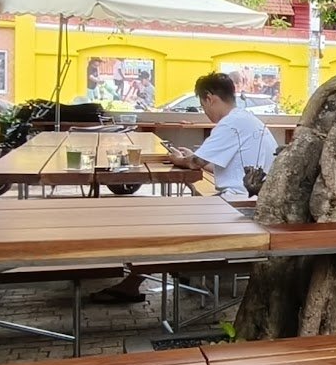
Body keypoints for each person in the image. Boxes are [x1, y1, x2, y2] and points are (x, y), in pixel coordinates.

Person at [92, 72, 277, 302]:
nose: (204, 111)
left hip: (241, 208)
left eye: (202, 105)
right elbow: (223, 167)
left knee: (168, 223)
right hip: (249, 202)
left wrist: (184, 159)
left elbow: (195, 164)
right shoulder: (246, 119)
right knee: (170, 216)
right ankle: (137, 281)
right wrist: (192, 158)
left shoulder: (230, 124)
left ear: (210, 98)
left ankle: (133, 283)